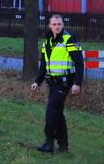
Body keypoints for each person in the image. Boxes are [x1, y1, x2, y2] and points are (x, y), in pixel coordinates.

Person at [30, 14, 84, 153]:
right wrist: (37, 81)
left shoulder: (70, 40)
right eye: (54, 24)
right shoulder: (46, 42)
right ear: (49, 26)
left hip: (65, 83)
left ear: (63, 25)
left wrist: (77, 83)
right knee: (58, 114)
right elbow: (44, 65)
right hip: (52, 83)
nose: (57, 27)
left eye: (59, 24)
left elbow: (79, 63)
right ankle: (63, 146)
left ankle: (49, 143)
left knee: (51, 112)